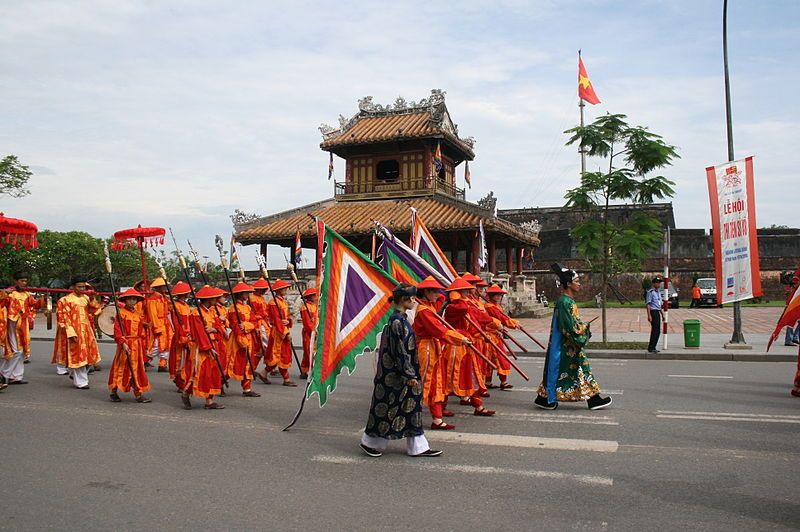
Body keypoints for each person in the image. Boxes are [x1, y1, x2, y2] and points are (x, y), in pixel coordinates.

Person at [360, 283, 442, 458]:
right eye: (412, 298)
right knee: (385, 409)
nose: (414, 301)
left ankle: (418, 446)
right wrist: (409, 374)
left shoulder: (402, 319)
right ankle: (370, 442)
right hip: (395, 375)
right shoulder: (397, 321)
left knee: (411, 408)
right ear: (404, 300)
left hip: (403, 373)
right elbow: (400, 351)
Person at [534, 264, 612, 411]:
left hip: (569, 345)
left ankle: (545, 398)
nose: (579, 284)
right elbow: (568, 327)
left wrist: (581, 327)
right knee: (570, 370)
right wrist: (583, 330)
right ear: (568, 284)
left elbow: (572, 323)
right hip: (565, 346)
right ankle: (591, 399)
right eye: (576, 281)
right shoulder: (564, 302)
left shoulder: (567, 301)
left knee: (578, 370)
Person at [414, 276, 469, 430]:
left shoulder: (430, 306)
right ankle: (411, 413)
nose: (437, 294)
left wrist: (454, 293)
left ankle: (437, 419)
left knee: (437, 383)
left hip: (435, 346)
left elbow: (444, 298)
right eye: (433, 291)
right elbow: (438, 330)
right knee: (424, 381)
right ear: (425, 293)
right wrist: (459, 338)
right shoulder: (424, 310)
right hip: (426, 348)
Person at [443, 277, 496, 416]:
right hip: (454, 346)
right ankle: (440, 408)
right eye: (465, 290)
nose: (468, 293)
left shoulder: (466, 304)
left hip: (466, 345)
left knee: (471, 375)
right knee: (449, 378)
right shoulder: (452, 307)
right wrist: (456, 298)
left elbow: (479, 317)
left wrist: (494, 324)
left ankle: (478, 406)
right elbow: (463, 308)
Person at [51, 276, 102, 389]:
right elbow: (63, 319)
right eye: (79, 286)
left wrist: (93, 299)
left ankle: (73, 374)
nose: (82, 289)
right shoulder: (65, 300)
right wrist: (71, 333)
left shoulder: (86, 298)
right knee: (78, 356)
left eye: (84, 286)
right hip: (74, 331)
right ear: (73, 287)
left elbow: (95, 310)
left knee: (89, 356)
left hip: (87, 330)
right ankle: (81, 382)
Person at [108, 288, 151, 403]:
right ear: (125, 300)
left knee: (137, 369)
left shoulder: (138, 314)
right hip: (126, 344)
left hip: (137, 345)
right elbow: (117, 330)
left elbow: (141, 332)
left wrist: (143, 344)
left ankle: (138, 393)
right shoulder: (121, 313)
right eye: (130, 299)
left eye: (134, 299)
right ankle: (113, 391)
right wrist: (122, 342)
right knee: (121, 368)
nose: (132, 301)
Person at [1, 272, 42, 384]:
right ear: (16, 281)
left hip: (23, 325)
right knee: (16, 351)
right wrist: (3, 293)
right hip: (11, 324)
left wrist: (44, 299)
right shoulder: (9, 293)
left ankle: (17, 376)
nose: (24, 283)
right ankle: (4, 374)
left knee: (22, 352)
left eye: (25, 281)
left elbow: (35, 305)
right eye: (22, 281)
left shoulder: (27, 295)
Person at [193, 285, 227, 409]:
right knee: (199, 373)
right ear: (208, 299)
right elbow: (199, 332)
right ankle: (186, 393)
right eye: (214, 298)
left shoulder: (211, 312)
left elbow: (218, 326)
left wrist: (213, 329)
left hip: (214, 344)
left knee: (213, 373)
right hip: (204, 347)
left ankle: (210, 401)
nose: (216, 300)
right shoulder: (196, 313)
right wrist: (208, 347)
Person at [226, 282, 261, 398]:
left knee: (248, 364)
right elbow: (235, 326)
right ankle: (220, 383)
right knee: (233, 363)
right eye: (245, 292)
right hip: (237, 339)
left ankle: (247, 388)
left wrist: (246, 325)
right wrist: (241, 340)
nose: (247, 294)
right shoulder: (233, 309)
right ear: (240, 294)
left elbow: (254, 322)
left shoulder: (247, 307)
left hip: (249, 337)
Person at [484, 284, 519, 391]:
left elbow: (502, 318)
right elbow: (502, 318)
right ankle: (491, 381)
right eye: (496, 295)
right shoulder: (489, 307)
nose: (499, 297)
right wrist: (514, 324)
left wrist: (503, 328)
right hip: (489, 336)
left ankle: (501, 381)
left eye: (500, 295)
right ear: (491, 296)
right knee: (493, 358)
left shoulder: (496, 306)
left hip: (496, 334)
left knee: (499, 357)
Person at [264, 279, 297, 386]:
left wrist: (288, 321)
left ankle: (264, 373)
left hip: (283, 329)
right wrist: (286, 333)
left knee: (282, 354)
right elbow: (277, 321)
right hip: (278, 332)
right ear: (279, 290)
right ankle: (285, 379)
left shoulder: (282, 301)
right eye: (284, 289)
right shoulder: (274, 303)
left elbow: (286, 317)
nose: (286, 290)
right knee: (278, 355)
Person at [168, 281, 196, 405]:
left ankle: (183, 382)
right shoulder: (176, 306)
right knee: (180, 362)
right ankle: (180, 382)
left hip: (189, 336)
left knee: (188, 361)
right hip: (181, 337)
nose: (189, 294)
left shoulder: (185, 306)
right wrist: (183, 337)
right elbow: (177, 323)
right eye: (187, 293)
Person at [145, 277, 174, 372]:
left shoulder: (164, 298)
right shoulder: (153, 299)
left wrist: (169, 300)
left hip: (166, 324)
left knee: (167, 344)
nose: (165, 288)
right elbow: (152, 315)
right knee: (156, 346)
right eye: (163, 286)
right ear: (158, 287)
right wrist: (156, 328)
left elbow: (170, 309)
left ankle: (163, 364)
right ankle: (143, 360)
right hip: (158, 324)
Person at [249, 278, 272, 384]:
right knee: (263, 347)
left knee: (261, 348)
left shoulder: (261, 298)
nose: (264, 291)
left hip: (264, 323)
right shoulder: (253, 298)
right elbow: (253, 313)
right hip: (259, 324)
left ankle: (254, 369)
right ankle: (254, 368)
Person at [299, 287, 317, 379]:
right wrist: (313, 332)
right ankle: (308, 370)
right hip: (309, 332)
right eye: (314, 295)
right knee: (309, 352)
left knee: (312, 352)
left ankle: (305, 370)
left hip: (315, 331)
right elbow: (307, 323)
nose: (316, 297)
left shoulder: (314, 306)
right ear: (310, 297)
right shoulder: (305, 307)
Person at [646, 276, 664, 353]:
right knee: (655, 330)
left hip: (657, 311)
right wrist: (649, 315)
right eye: (657, 283)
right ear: (653, 283)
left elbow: (659, 305)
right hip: (653, 312)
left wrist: (662, 314)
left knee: (657, 331)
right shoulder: (650, 292)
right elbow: (648, 304)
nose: (659, 284)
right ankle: (651, 347)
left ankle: (653, 346)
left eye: (659, 283)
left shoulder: (658, 292)